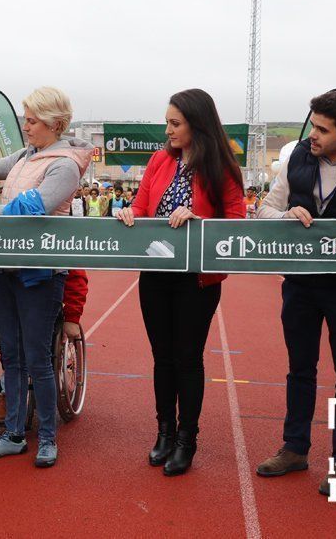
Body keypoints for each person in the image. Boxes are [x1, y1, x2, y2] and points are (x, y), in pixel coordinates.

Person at [0, 86, 93, 467]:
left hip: (40, 272)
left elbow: (28, 207)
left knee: (37, 358)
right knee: (11, 355)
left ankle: (46, 439)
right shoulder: (29, 154)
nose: (25, 126)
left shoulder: (65, 165)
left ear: (55, 124)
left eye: (32, 120)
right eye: (25, 118)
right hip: (8, 264)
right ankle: (12, 434)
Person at [253, 89, 336, 494]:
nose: (311, 134)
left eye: (321, 129)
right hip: (299, 285)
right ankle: (294, 448)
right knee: (300, 369)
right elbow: (264, 208)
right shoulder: (297, 157)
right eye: (312, 124)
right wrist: (285, 215)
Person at [115, 88, 245, 476]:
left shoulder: (221, 167)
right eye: (167, 122)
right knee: (162, 357)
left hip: (197, 281)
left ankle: (188, 438)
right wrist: (129, 214)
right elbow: (141, 204)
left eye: (175, 123)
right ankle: (165, 431)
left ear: (197, 124)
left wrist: (199, 221)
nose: (167, 130)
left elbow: (237, 222)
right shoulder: (160, 159)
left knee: (188, 358)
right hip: (155, 274)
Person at [0, 268, 88, 422]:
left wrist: (72, 317)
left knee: (25, 325)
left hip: (34, 296)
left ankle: (10, 395)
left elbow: (75, 272)